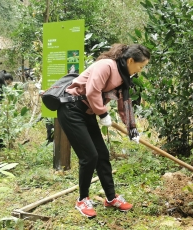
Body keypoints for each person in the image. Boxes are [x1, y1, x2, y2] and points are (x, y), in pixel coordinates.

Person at [58, 43, 151, 218]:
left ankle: (110, 198)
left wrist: (132, 130)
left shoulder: (123, 77)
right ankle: (82, 199)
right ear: (130, 60)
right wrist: (103, 113)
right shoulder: (106, 65)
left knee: (102, 154)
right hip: (71, 109)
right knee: (89, 156)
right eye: (140, 66)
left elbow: (125, 105)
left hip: (87, 113)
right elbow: (93, 91)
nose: (139, 70)